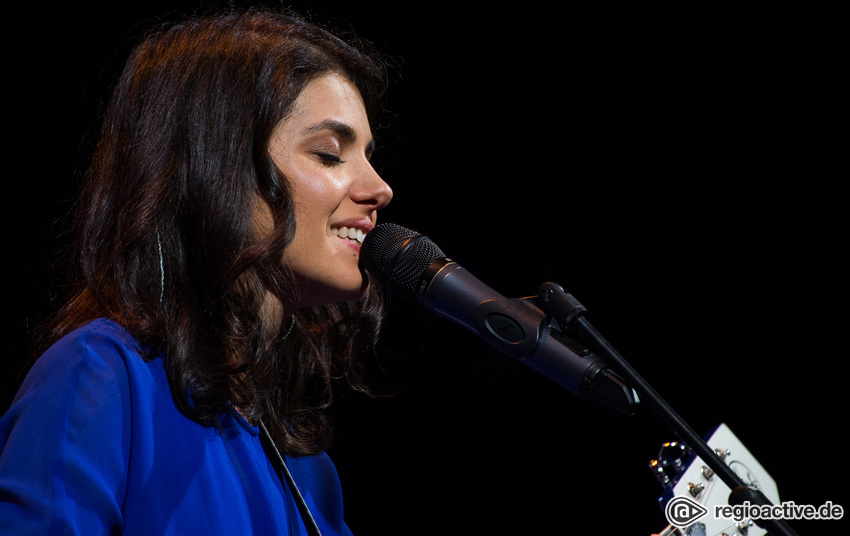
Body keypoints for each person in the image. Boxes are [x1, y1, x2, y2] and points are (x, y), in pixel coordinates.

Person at [0, 8, 392, 535]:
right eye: (328, 154)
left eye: (368, 155)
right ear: (218, 167)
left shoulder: (308, 469)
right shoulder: (100, 379)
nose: (380, 188)